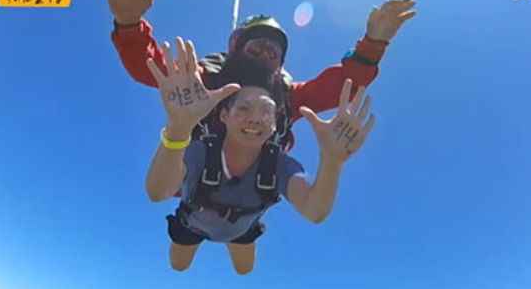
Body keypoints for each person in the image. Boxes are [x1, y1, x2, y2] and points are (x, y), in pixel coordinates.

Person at [103, 0, 415, 149]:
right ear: (235, 48)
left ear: (281, 64)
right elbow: (151, 69)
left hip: (251, 192)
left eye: (273, 50)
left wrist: (374, 43)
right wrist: (129, 25)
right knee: (182, 253)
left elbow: (341, 86)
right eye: (256, 45)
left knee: (243, 251)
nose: (264, 52)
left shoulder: (286, 96)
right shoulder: (207, 79)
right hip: (193, 182)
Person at [145, 37, 375, 274]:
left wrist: (332, 161)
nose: (255, 118)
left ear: (276, 123)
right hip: (193, 223)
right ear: (223, 116)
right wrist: (179, 127)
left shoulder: (278, 165)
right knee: (179, 266)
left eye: (267, 111)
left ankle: (235, 235)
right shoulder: (202, 151)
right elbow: (157, 192)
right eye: (243, 108)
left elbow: (314, 210)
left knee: (244, 269)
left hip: (242, 228)